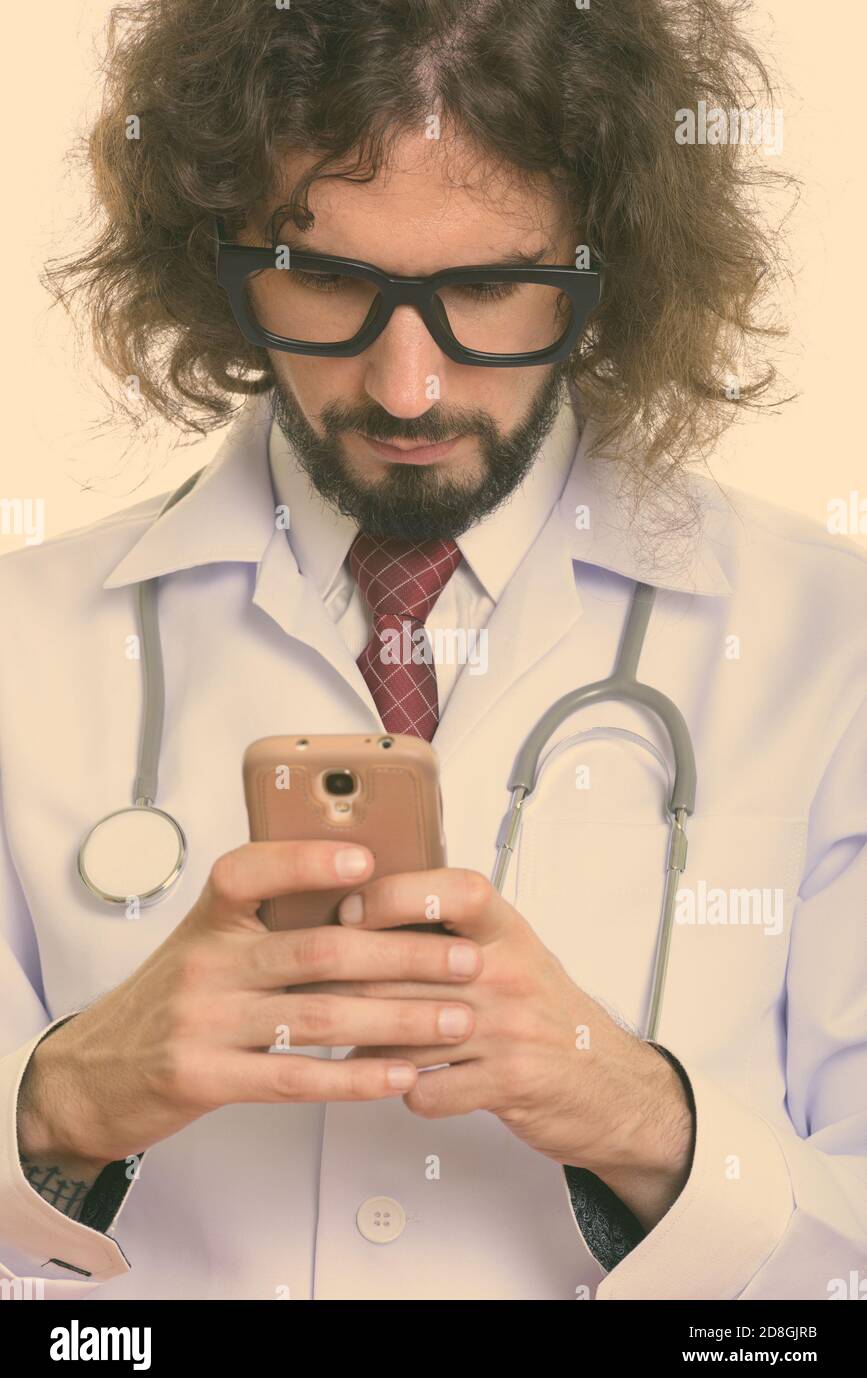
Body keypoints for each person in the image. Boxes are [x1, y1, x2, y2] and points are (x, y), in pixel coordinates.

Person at [0, 0, 864, 1302]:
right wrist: (60, 1102)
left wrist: (644, 1118)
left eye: (489, 287)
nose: (407, 386)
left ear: (607, 264)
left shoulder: (830, 640)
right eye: (332, 280)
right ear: (217, 257)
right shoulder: (24, 642)